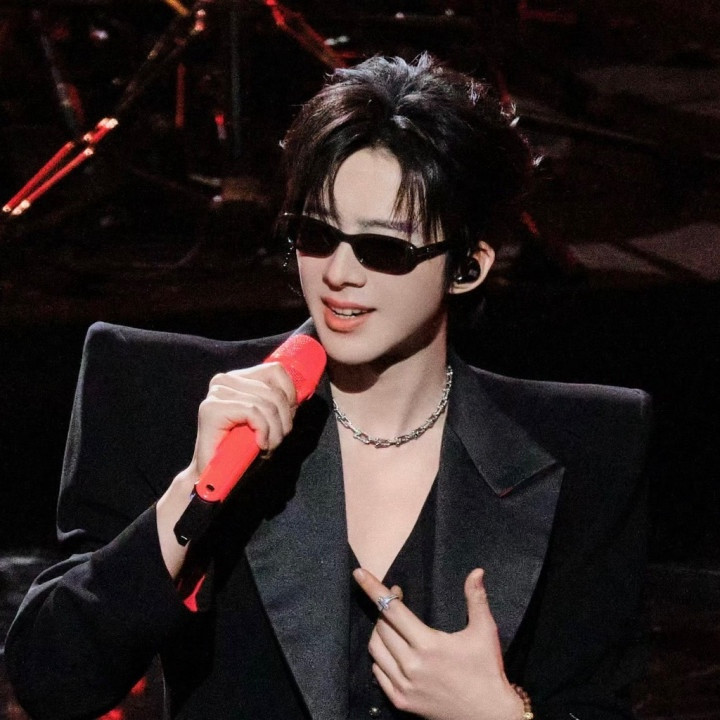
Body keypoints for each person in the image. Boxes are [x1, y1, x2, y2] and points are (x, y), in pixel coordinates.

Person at [6, 54, 651, 720]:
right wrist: (194, 491)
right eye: (316, 235)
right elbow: (52, 682)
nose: (339, 272)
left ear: (467, 265)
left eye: (384, 248)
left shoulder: (585, 447)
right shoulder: (165, 394)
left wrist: (498, 714)